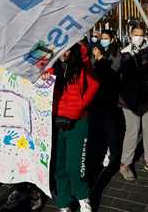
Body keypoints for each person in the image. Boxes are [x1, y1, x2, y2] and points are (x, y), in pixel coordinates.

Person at [48, 42, 99, 212]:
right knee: (58, 166)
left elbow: (94, 85)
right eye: (60, 49)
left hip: (78, 122)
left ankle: (83, 197)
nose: (64, 52)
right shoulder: (47, 65)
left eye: (67, 48)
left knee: (75, 166)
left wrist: (80, 106)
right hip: (54, 121)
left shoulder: (82, 62)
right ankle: (63, 202)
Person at [118, 25, 148, 180]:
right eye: (135, 34)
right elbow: (129, 73)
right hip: (130, 100)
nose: (138, 37)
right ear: (130, 35)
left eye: (141, 34)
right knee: (132, 131)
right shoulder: (124, 53)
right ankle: (125, 164)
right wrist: (146, 67)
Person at [87, 40, 122, 182]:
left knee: (107, 131)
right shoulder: (92, 64)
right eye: (93, 49)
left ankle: (109, 154)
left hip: (104, 103)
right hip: (98, 103)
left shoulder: (104, 66)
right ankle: (105, 153)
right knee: (100, 131)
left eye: (96, 49)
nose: (94, 51)